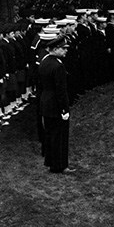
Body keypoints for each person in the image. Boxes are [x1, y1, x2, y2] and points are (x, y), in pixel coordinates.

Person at [38, 36, 73, 173]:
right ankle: (60, 165)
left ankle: (52, 163)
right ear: (55, 49)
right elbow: (61, 91)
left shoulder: (44, 61)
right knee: (60, 136)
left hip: (46, 102)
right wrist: (64, 109)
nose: (65, 51)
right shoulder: (58, 66)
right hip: (56, 105)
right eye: (63, 49)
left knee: (50, 135)